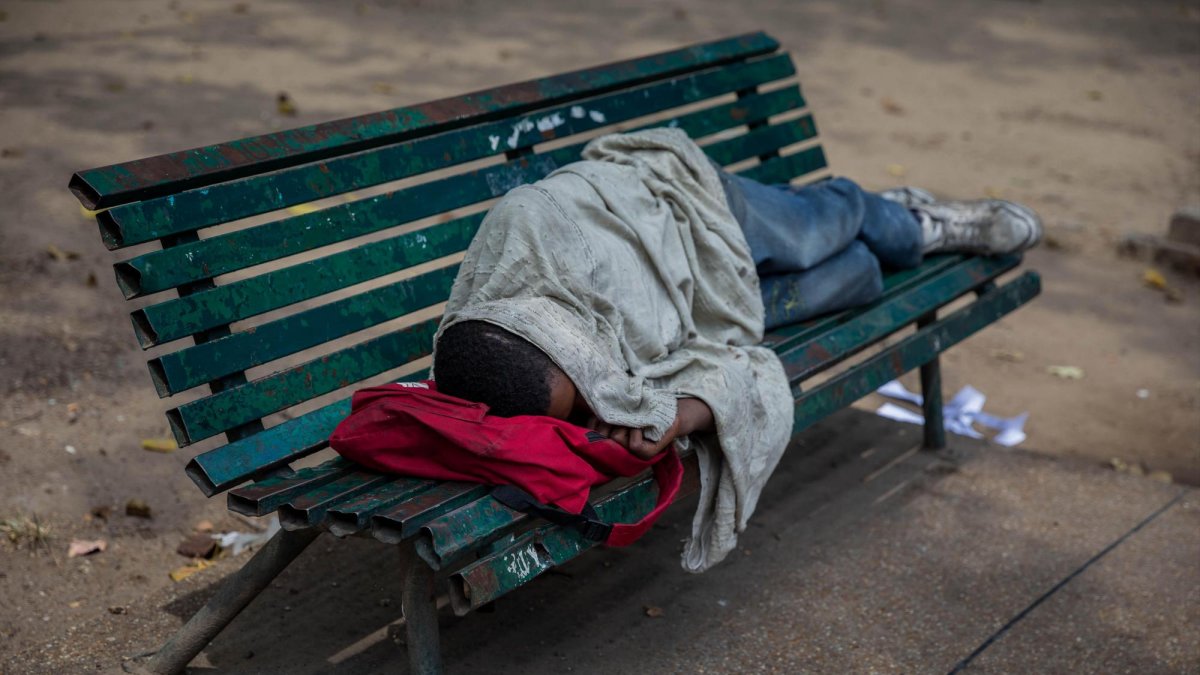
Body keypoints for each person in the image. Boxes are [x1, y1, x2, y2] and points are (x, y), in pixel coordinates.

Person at [429, 128, 1040, 571]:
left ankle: (914, 222)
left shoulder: (531, 235)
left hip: (698, 211)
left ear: (558, 342)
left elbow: (644, 291)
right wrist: (681, 412)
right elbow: (713, 357)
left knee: (813, 235)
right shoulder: (500, 358)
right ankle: (889, 231)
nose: (596, 399)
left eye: (584, 382)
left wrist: (656, 396)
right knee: (852, 279)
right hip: (707, 304)